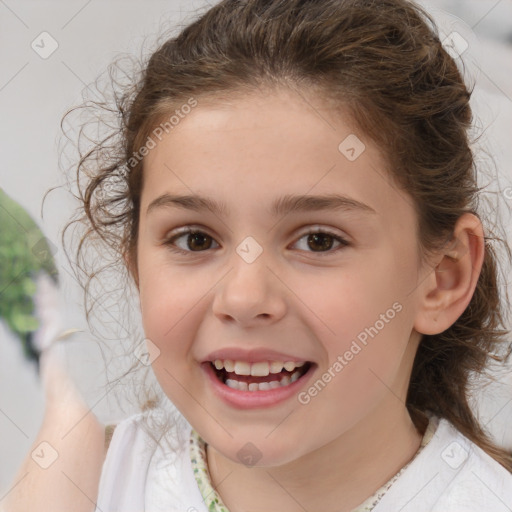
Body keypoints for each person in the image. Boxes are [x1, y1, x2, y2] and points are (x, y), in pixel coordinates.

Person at [5, 0, 512, 511]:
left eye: (319, 240)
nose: (245, 298)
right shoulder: (81, 485)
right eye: (195, 239)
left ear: (443, 278)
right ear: (136, 264)